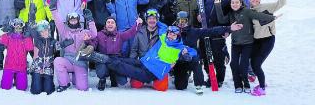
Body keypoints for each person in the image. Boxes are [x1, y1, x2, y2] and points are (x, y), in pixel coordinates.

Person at [79, 24, 242, 92]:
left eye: (174, 33)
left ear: (178, 36)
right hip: (143, 62)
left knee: (121, 67)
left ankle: (93, 57)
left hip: (152, 73)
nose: (171, 35)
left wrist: (227, 28)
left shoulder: (181, 48)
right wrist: (139, 22)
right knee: (122, 60)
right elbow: (156, 20)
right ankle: (94, 56)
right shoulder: (163, 37)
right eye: (170, 32)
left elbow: (194, 53)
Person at [214, 0, 276, 94]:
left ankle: (246, 84)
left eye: (237, 2)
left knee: (244, 64)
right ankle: (238, 85)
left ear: (241, 3)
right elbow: (221, 20)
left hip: (248, 44)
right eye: (232, 3)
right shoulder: (231, 13)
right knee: (234, 64)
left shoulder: (247, 11)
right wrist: (217, 6)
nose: (234, 4)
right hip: (235, 43)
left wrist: (272, 17)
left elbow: (259, 16)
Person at [248, 0, 287, 96]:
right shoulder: (249, 12)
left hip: (268, 40)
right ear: (249, 0)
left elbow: (282, 2)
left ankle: (262, 88)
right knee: (253, 63)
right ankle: (261, 82)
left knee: (256, 65)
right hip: (256, 41)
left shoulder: (267, 7)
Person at [51, 4, 97, 92]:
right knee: (57, 61)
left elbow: (94, 34)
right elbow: (58, 21)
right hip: (68, 60)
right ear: (68, 21)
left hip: (80, 62)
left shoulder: (83, 32)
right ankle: (64, 83)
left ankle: (76, 76)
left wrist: (90, 20)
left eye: (75, 20)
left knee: (82, 87)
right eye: (71, 20)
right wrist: (53, 9)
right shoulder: (64, 31)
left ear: (78, 21)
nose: (73, 21)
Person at [201, 0, 235, 87]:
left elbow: (232, 16)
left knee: (218, 57)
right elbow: (202, 8)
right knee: (206, 57)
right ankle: (210, 77)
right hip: (206, 30)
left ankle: (219, 79)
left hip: (219, 32)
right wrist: (198, 16)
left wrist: (228, 31)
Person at [92, 17, 142, 90]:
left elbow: (131, 32)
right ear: (105, 25)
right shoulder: (99, 34)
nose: (110, 24)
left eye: (112, 22)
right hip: (103, 60)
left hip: (116, 61)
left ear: (115, 25)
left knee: (122, 81)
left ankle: (114, 77)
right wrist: (88, 41)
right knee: (101, 71)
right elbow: (93, 43)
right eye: (108, 22)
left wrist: (138, 23)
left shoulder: (119, 35)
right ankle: (102, 79)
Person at [28, 20, 72, 95]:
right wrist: (32, 16)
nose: (44, 33)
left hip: (48, 69)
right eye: (42, 31)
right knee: (36, 91)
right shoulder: (37, 40)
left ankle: (44, 81)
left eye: (46, 31)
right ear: (39, 33)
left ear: (49, 30)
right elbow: (32, 29)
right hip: (37, 67)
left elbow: (58, 46)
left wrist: (64, 44)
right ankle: (36, 78)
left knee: (49, 90)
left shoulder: (52, 41)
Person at [128, 9, 168, 89]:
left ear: (157, 20)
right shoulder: (139, 32)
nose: (152, 20)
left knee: (162, 88)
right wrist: (132, 63)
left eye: (154, 18)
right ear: (146, 20)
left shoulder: (163, 33)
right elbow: (134, 50)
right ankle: (145, 78)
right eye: (149, 18)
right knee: (135, 85)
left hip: (157, 64)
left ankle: (155, 79)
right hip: (142, 63)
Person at [0, 19, 34, 91]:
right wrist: (5, 32)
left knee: (22, 88)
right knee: (5, 87)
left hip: (21, 67)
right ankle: (12, 77)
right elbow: (1, 40)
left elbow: (30, 48)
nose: (18, 29)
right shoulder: (9, 36)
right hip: (9, 66)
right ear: (13, 28)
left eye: (20, 27)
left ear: (22, 28)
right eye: (16, 27)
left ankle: (16, 77)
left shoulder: (25, 37)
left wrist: (27, 37)